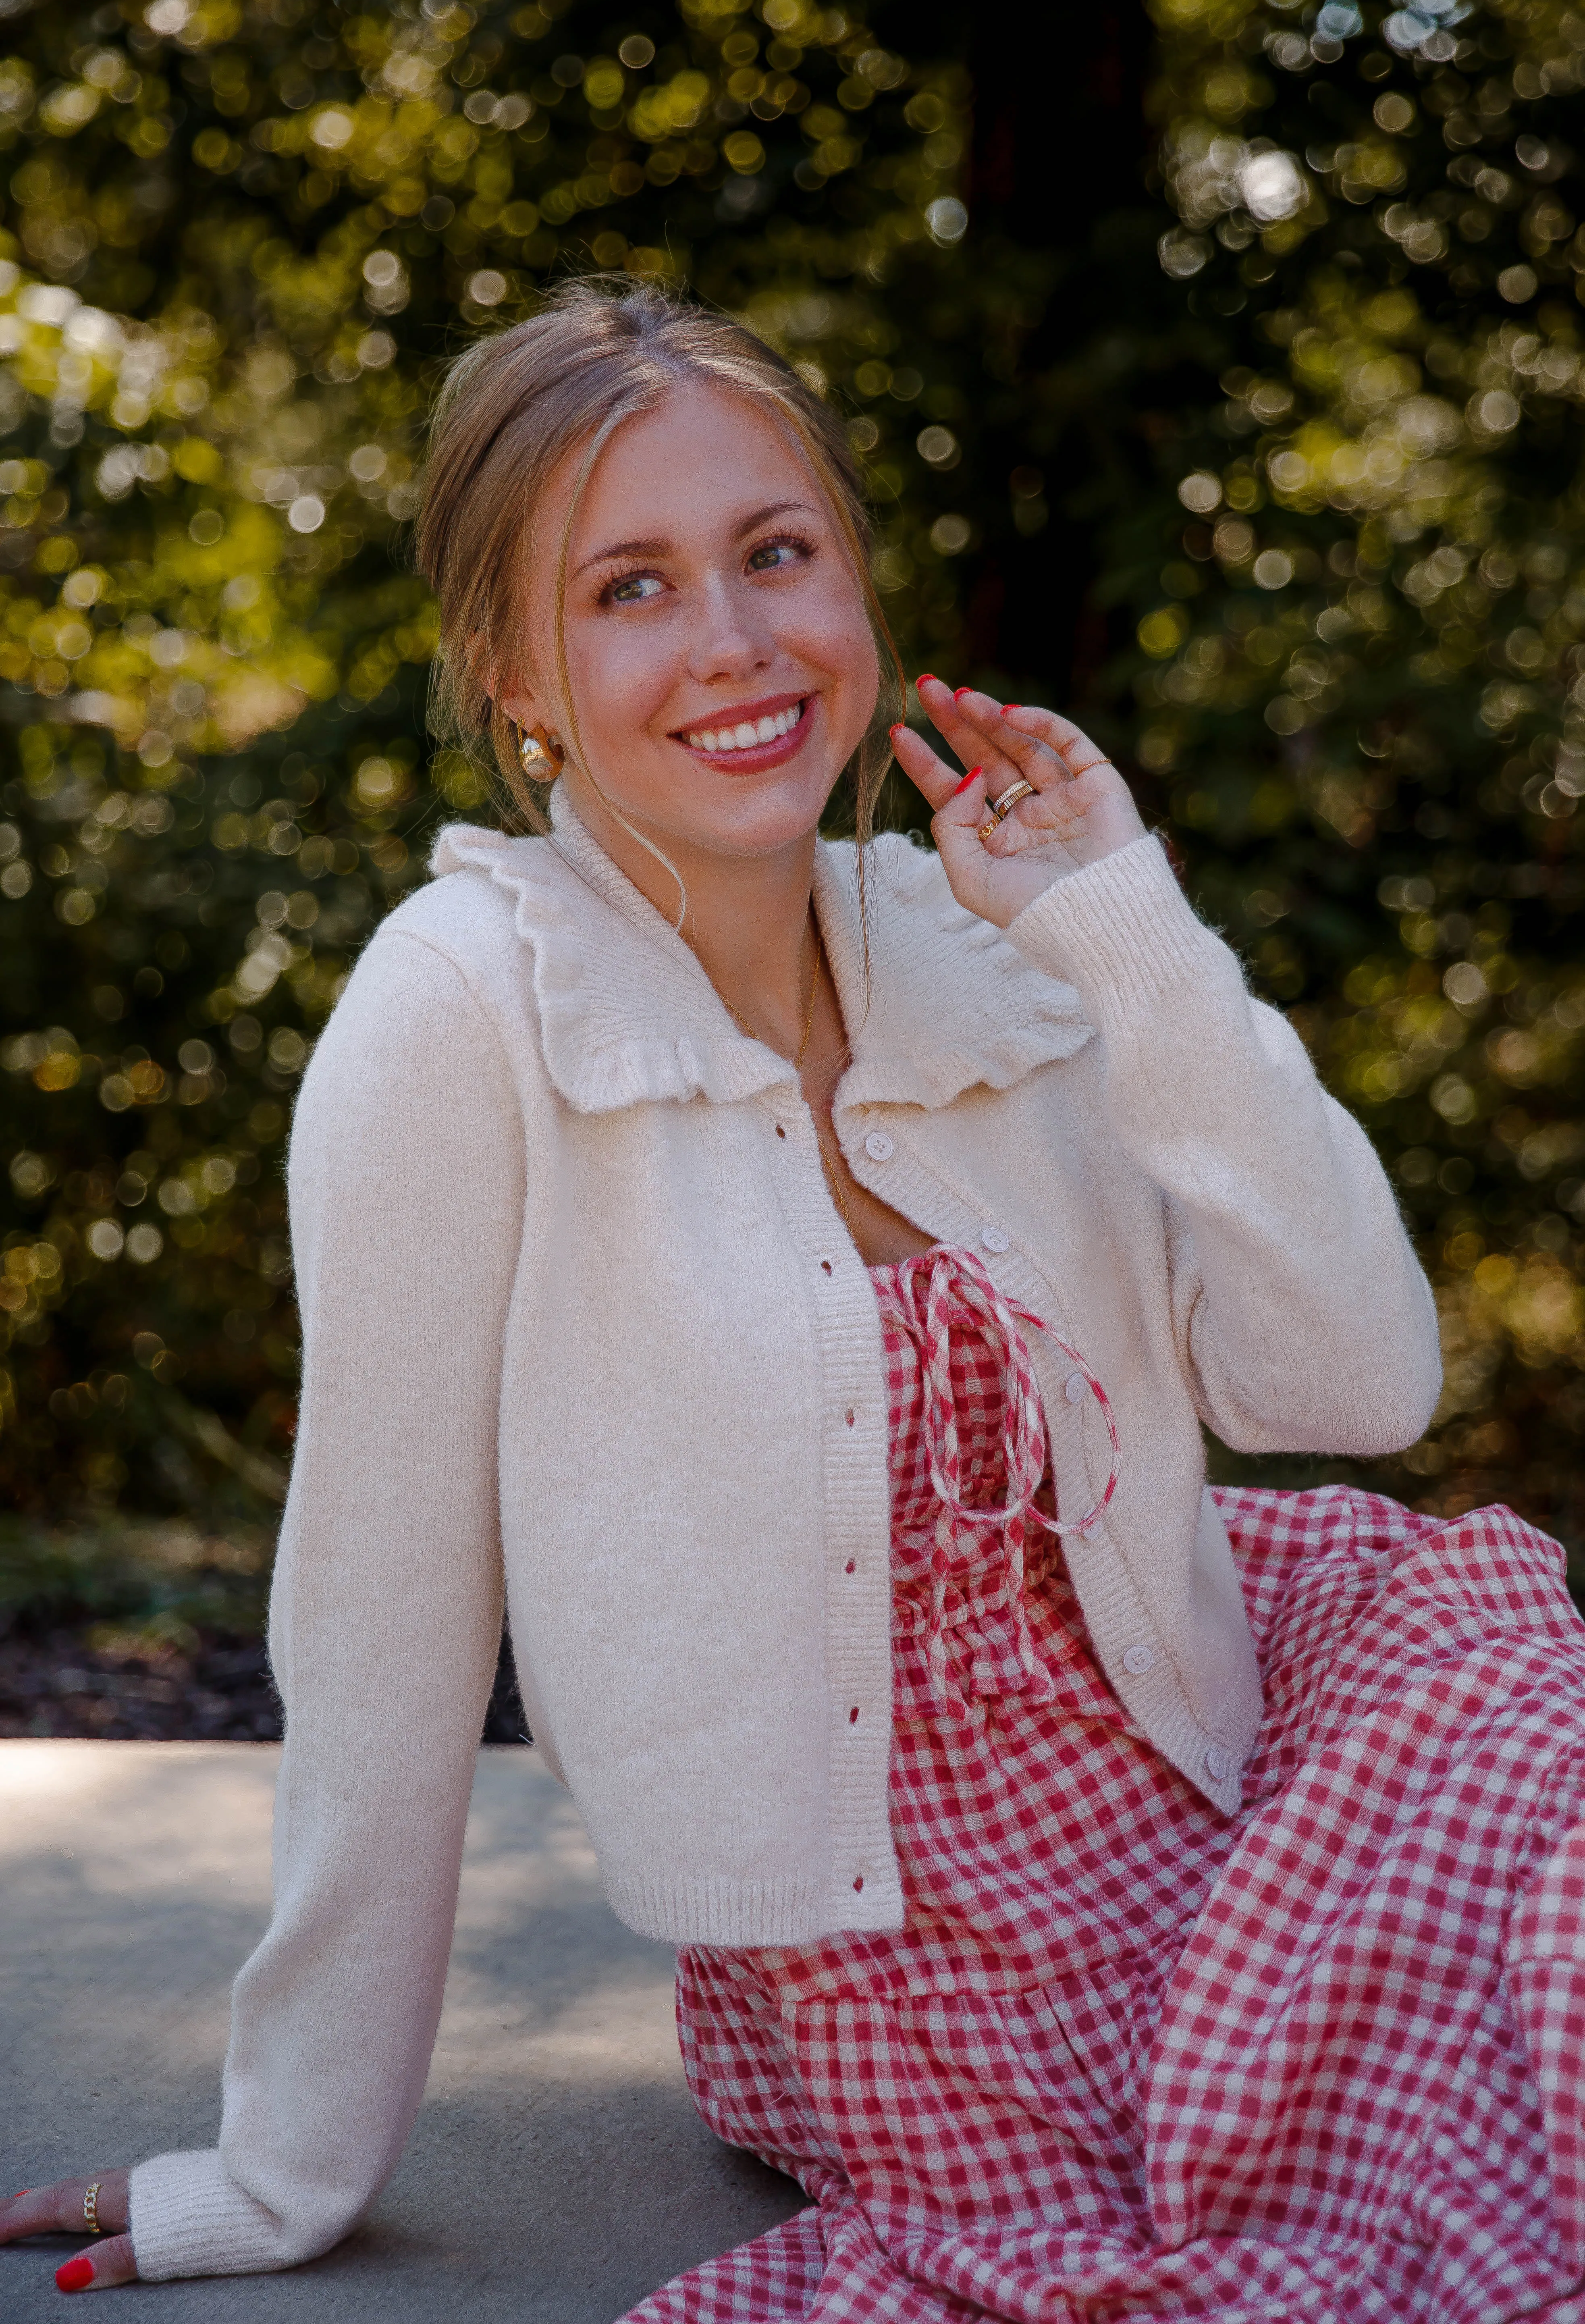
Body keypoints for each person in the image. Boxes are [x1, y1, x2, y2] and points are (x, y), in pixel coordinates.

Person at [8, 279, 1585, 2322]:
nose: (737, 644)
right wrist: (287, 2162)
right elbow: (379, 1612)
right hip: (931, 1963)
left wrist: (1132, 933)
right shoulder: (461, 1010)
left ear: (851, 575)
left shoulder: (976, 937)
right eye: (631, 588)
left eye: (775, 554)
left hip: (1251, 1728)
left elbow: (1355, 1380)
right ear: (518, 670)